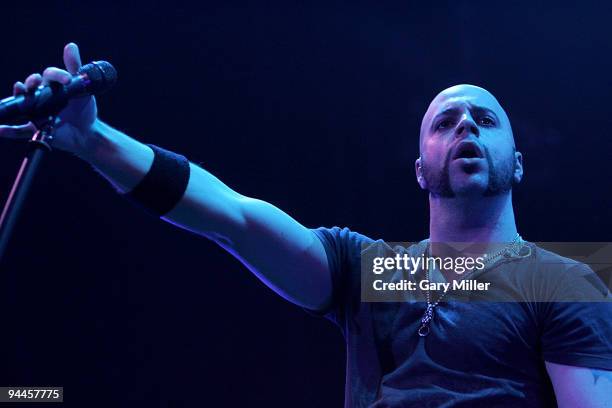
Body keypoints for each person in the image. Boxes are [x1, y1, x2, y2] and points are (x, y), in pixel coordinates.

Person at [1, 43, 610, 407]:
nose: (467, 128)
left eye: (484, 119)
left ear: (519, 162)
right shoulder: (373, 269)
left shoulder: (563, 280)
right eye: (446, 122)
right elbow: (233, 217)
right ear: (421, 168)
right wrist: (95, 141)